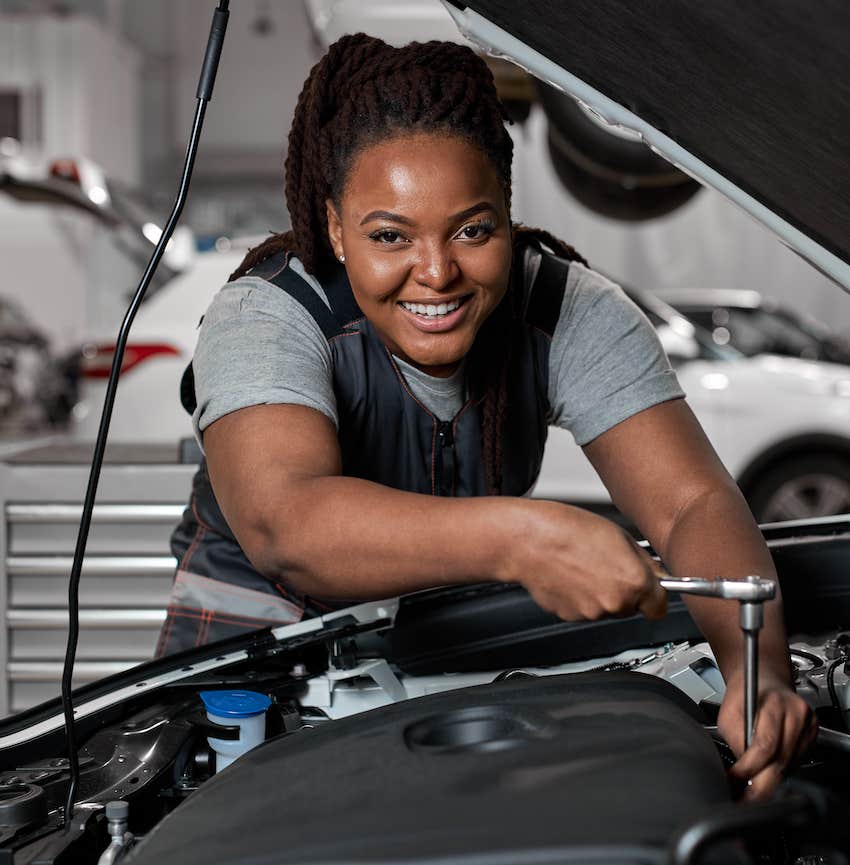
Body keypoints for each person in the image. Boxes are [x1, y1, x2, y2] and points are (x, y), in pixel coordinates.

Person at [155, 33, 815, 797]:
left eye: (471, 229)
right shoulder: (269, 314)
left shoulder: (567, 308)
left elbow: (692, 501)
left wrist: (755, 670)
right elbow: (286, 524)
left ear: (506, 209)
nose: (435, 272)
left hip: (428, 685)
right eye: (389, 236)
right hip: (240, 702)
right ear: (336, 228)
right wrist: (526, 538)